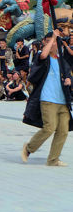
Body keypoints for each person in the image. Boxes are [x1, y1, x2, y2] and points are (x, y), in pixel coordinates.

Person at [22, 30, 73, 166]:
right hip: (47, 99)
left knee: (63, 130)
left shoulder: (62, 61)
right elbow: (44, 54)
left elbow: (69, 75)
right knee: (49, 128)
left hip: (63, 100)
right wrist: (53, 38)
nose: (55, 44)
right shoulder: (42, 57)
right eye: (52, 41)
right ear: (46, 42)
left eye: (56, 42)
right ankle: (28, 148)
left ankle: (53, 159)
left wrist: (69, 80)